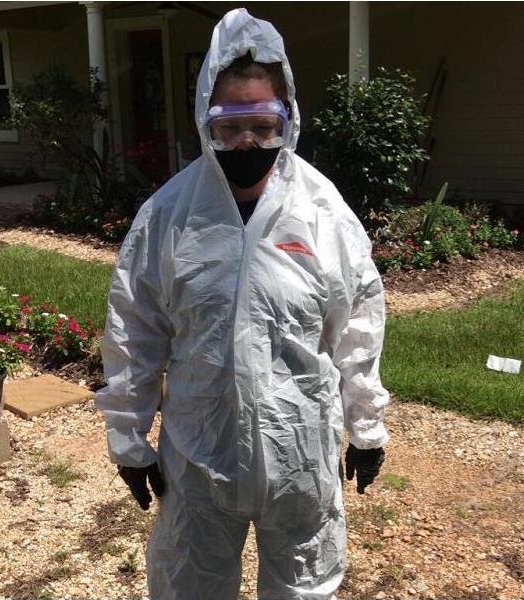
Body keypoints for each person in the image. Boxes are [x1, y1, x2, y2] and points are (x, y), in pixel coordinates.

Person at [96, 8, 389, 600]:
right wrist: (129, 438)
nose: (247, 142)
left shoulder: (323, 215)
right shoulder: (169, 217)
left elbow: (358, 325)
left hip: (299, 456)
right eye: (229, 127)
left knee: (304, 589)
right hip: (200, 458)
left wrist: (366, 427)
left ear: (289, 120)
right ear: (207, 121)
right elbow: (135, 330)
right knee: (190, 588)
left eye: (263, 123)